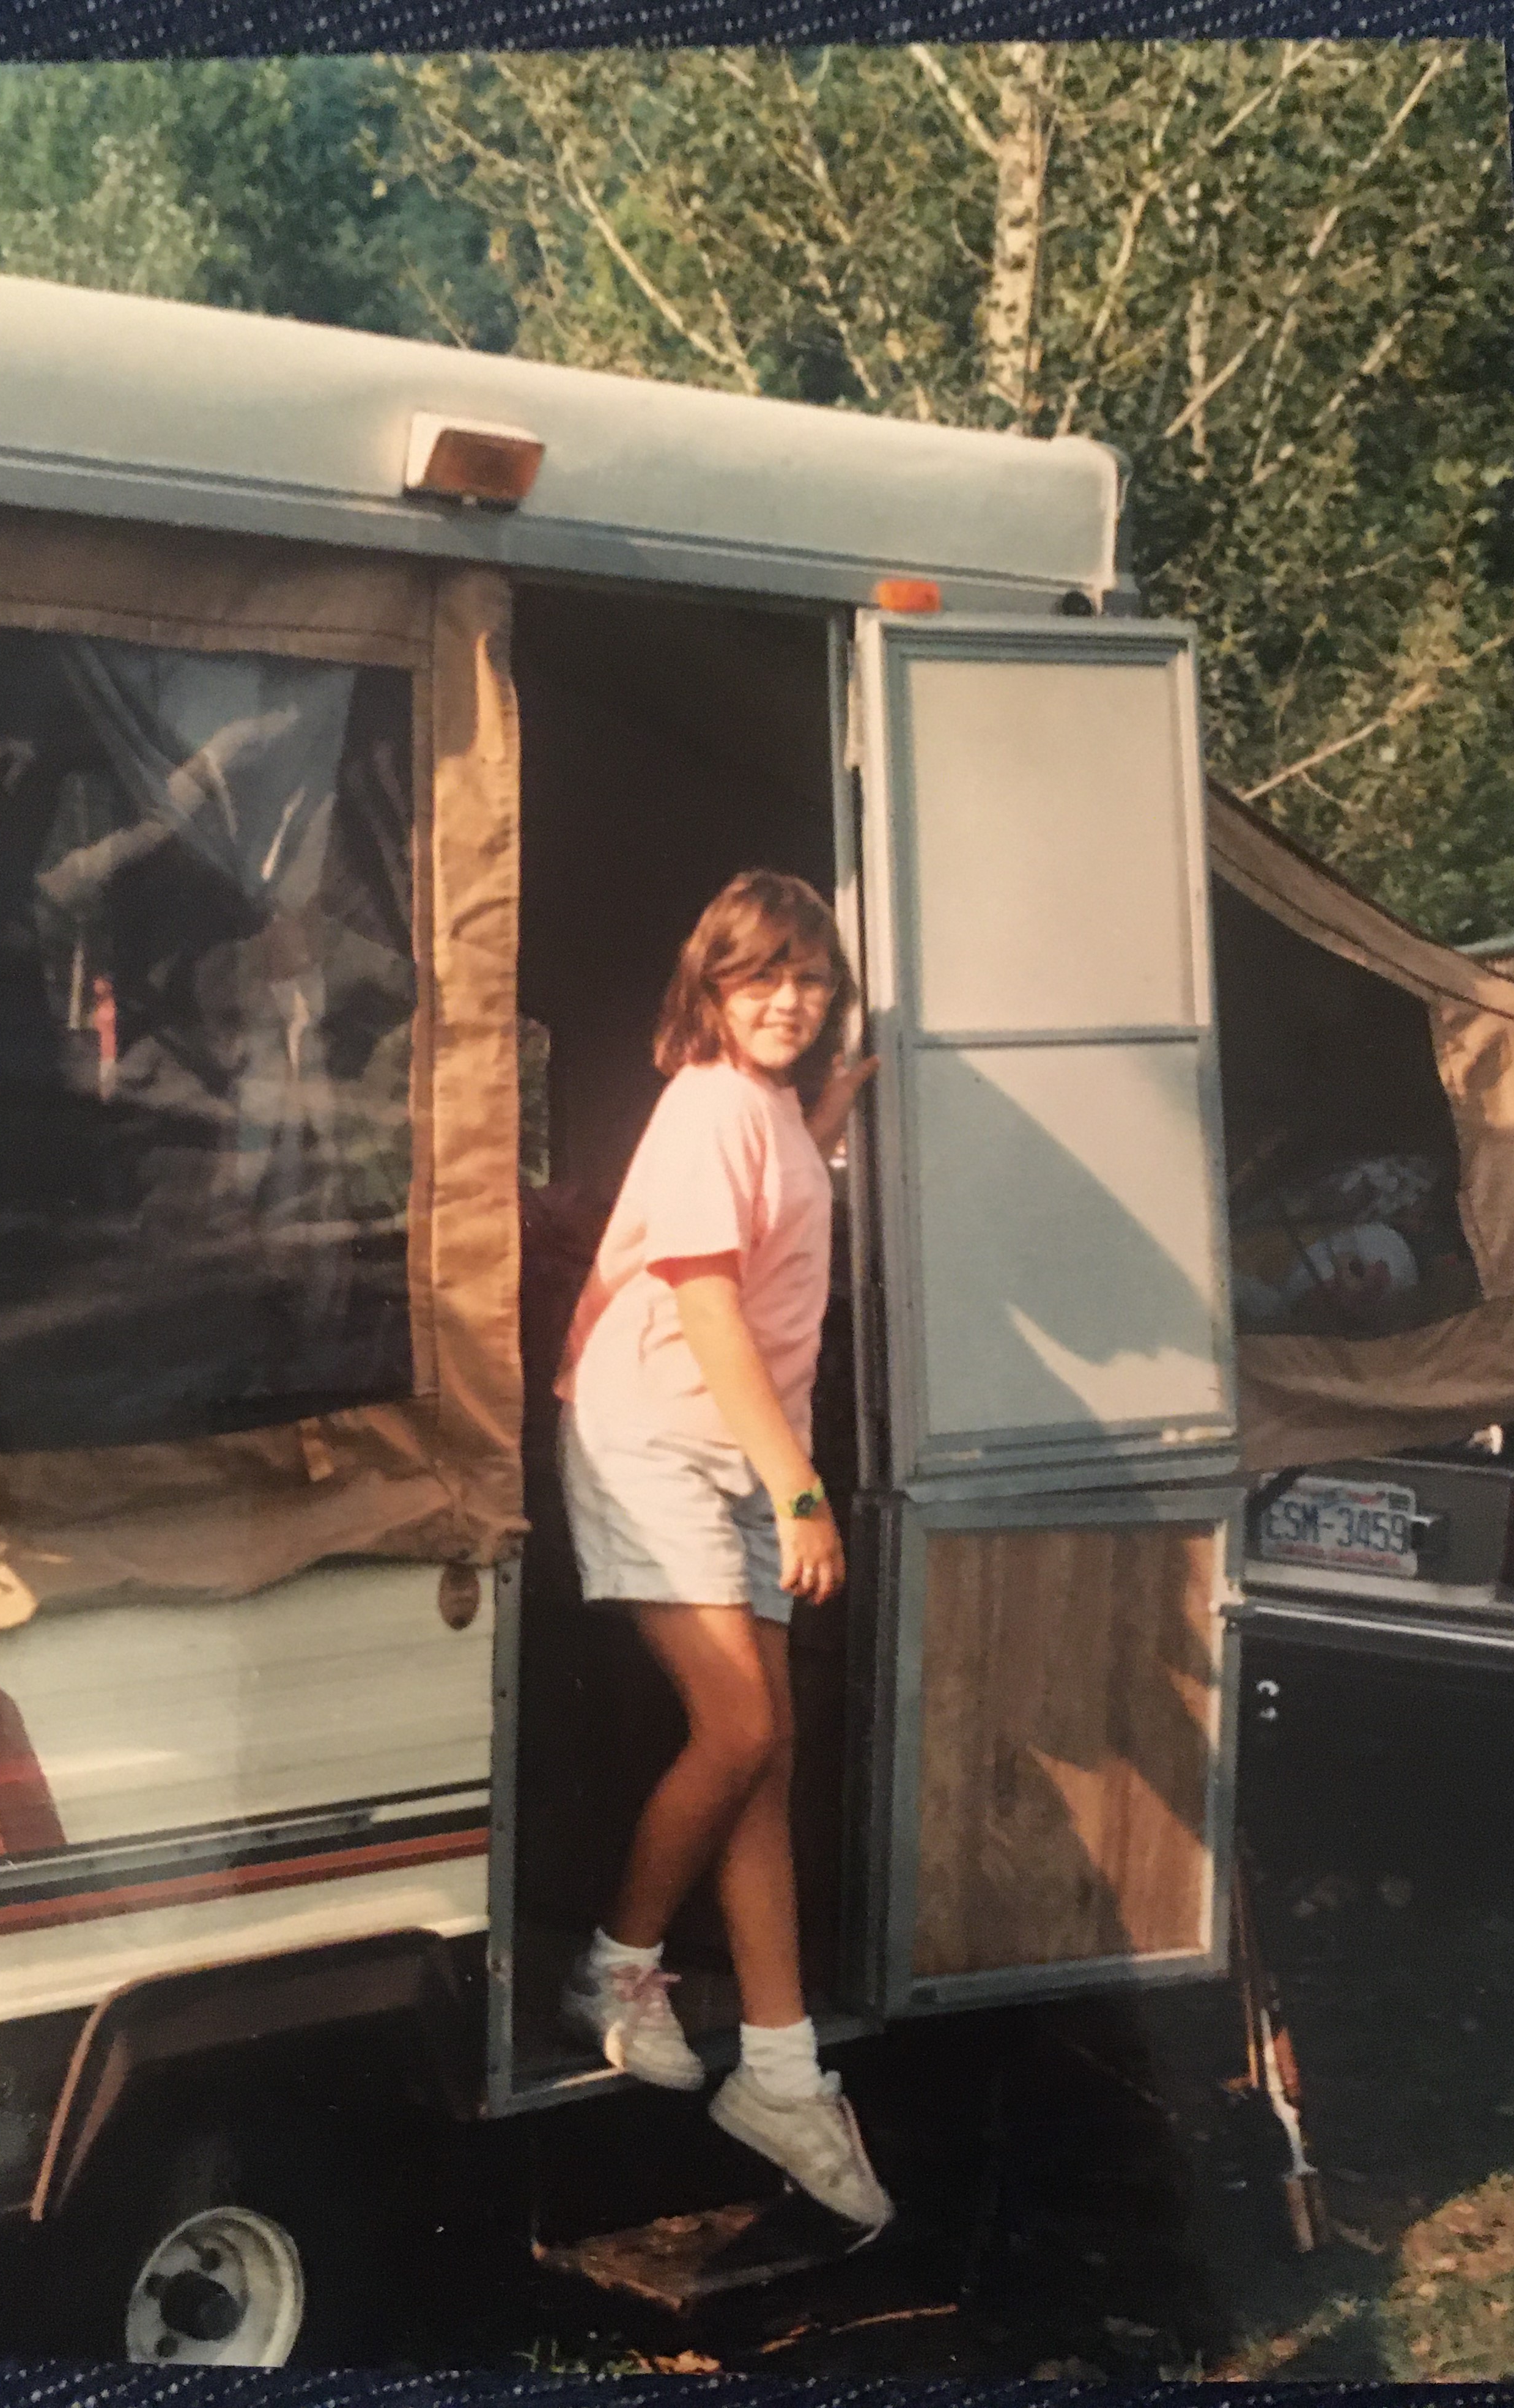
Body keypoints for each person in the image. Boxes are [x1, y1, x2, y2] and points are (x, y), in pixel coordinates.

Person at [553, 867, 891, 2233]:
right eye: (761, 975)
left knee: (766, 1749)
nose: (789, 998)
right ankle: (614, 1966)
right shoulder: (702, 1104)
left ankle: (780, 2069)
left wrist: (825, 1117)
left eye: (809, 977)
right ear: (708, 986)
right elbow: (702, 1313)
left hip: (737, 1449)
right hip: (659, 1439)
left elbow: (773, 1205)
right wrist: (799, 1490)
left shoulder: (763, 1112)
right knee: (741, 1718)